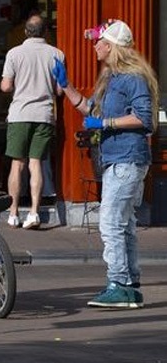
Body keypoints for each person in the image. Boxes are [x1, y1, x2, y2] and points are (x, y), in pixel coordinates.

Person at [52, 19, 157, 309]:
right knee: (124, 225)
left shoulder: (132, 77)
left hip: (127, 158)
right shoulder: (111, 78)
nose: (95, 46)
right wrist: (66, 85)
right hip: (117, 158)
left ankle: (118, 284)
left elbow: (144, 118)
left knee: (111, 222)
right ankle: (130, 285)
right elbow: (88, 108)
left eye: (98, 41)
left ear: (110, 46)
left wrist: (106, 122)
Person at [0, 14, 65, 229]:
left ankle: (13, 212)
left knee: (17, 164)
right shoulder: (57, 54)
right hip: (44, 115)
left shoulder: (14, 53)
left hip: (20, 114)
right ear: (46, 32)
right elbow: (58, 89)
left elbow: (6, 86)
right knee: (36, 163)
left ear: (25, 32)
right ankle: (35, 212)